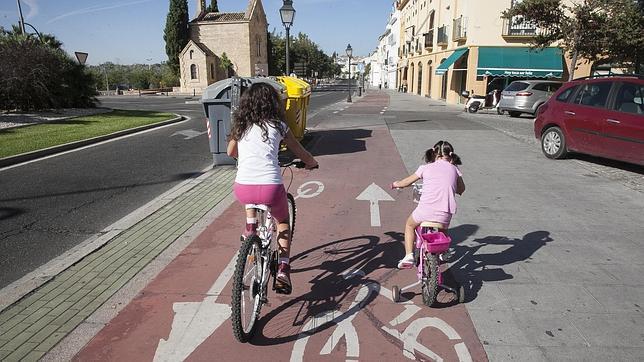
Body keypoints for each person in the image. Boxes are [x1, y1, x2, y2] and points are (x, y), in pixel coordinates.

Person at [227, 83, 318, 294]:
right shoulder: (278, 126)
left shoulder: (241, 126)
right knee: (283, 223)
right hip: (270, 187)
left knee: (250, 190)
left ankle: (250, 227)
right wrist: (311, 162)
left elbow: (231, 152)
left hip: (242, 188)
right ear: (273, 103)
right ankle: (283, 270)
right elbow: (300, 151)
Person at [391, 140, 465, 269]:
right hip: (445, 213)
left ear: (434, 152)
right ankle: (444, 250)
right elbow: (461, 190)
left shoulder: (425, 168)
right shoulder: (454, 169)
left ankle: (409, 255)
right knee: (443, 229)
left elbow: (405, 182)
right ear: (451, 154)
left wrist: (396, 184)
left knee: (409, 225)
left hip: (425, 211)